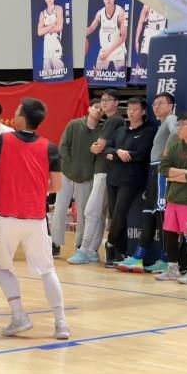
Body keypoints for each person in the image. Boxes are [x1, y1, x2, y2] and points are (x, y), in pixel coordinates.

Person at [0, 98, 69, 340]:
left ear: (22, 118)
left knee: (4, 267)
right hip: (36, 218)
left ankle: (19, 316)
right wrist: (34, 189)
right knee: (47, 270)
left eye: (16, 112)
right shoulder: (50, 147)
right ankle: (61, 324)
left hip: (6, 216)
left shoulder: (4, 140)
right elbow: (57, 186)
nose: (14, 115)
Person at [118, 92, 177, 273]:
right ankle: (138, 257)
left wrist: (168, 150)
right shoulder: (161, 125)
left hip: (160, 169)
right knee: (150, 214)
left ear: (170, 106)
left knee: (161, 214)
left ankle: (166, 259)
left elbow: (177, 132)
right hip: (153, 170)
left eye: (160, 103)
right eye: (154, 104)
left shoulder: (171, 118)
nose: (156, 107)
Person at [68, 89, 125, 264]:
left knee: (91, 211)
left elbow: (98, 146)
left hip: (104, 170)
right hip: (107, 170)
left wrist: (95, 147)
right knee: (98, 213)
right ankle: (92, 251)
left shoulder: (113, 120)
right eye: (102, 100)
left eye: (108, 100)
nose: (104, 103)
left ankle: (84, 250)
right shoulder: (115, 121)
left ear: (116, 103)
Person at [104, 98, 156, 267]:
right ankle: (120, 252)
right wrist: (118, 152)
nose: (131, 112)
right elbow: (107, 149)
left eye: (135, 109)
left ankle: (110, 243)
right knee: (114, 215)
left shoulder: (148, 131)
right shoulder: (120, 130)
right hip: (112, 178)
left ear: (143, 112)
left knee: (120, 213)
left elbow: (139, 155)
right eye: (129, 109)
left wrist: (114, 156)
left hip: (131, 179)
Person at [51, 98, 102, 257]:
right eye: (96, 107)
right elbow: (63, 146)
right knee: (59, 209)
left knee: (83, 212)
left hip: (86, 178)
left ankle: (80, 244)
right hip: (66, 174)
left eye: (101, 109)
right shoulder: (74, 125)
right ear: (89, 109)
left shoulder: (101, 132)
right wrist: (68, 165)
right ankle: (55, 243)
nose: (98, 110)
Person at [156, 112, 187, 283]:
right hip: (173, 199)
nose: (178, 128)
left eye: (182, 125)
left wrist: (177, 175)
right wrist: (184, 173)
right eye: (178, 125)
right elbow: (163, 168)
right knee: (171, 234)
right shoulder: (176, 147)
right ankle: (172, 269)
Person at [86, 0, 127, 72]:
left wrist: (108, 52)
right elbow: (91, 28)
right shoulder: (99, 13)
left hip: (118, 51)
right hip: (104, 51)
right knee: (96, 75)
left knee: (120, 76)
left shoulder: (122, 13)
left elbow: (123, 37)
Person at [37, 0, 65, 72]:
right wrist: (52, 24)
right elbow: (39, 32)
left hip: (56, 46)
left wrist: (45, 29)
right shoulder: (42, 13)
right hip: (46, 51)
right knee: (47, 75)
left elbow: (59, 27)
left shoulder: (58, 9)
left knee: (59, 74)